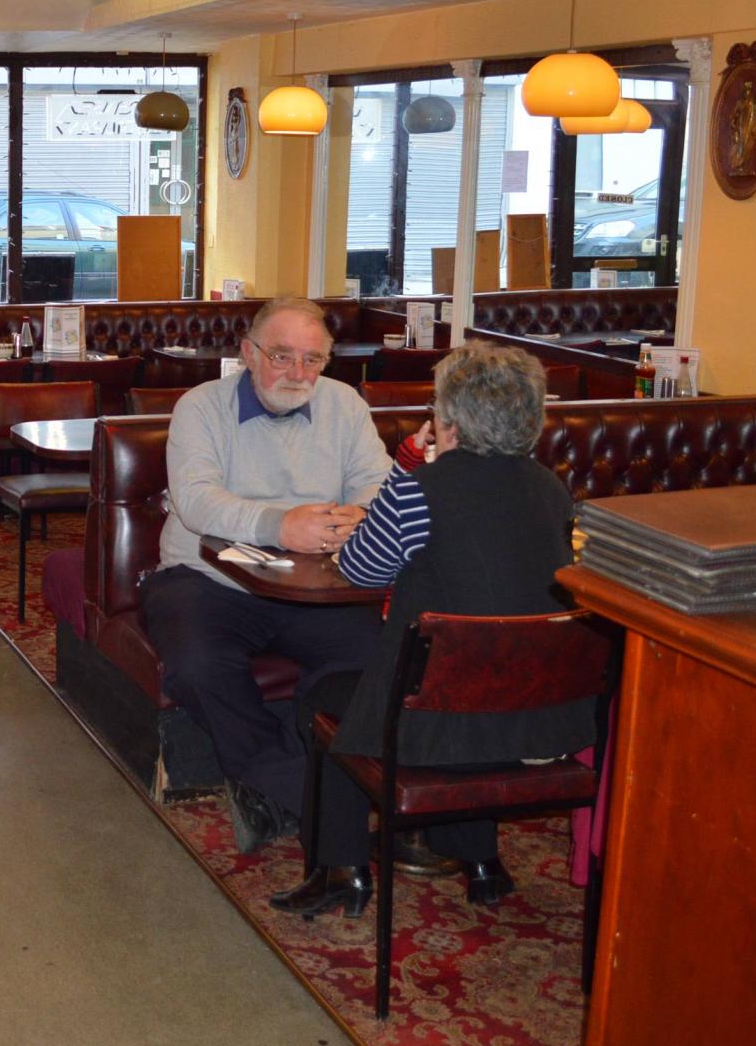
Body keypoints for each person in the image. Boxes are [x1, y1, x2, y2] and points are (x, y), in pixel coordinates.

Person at [269, 342, 592, 918]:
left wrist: (406, 477)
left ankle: (340, 870)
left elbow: (360, 568)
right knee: (473, 669)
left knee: (324, 698)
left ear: (450, 420)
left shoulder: (419, 491)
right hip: (540, 720)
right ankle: (481, 860)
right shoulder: (551, 488)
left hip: (439, 725)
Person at [140, 297, 391, 852]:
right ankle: (307, 794)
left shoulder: (345, 405)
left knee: (375, 656)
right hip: (208, 577)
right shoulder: (201, 407)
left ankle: (277, 789)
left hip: (315, 583)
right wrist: (281, 525)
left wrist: (359, 513)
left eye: (312, 359)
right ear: (249, 353)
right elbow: (197, 501)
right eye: (281, 356)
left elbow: (377, 481)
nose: (297, 372)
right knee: (198, 667)